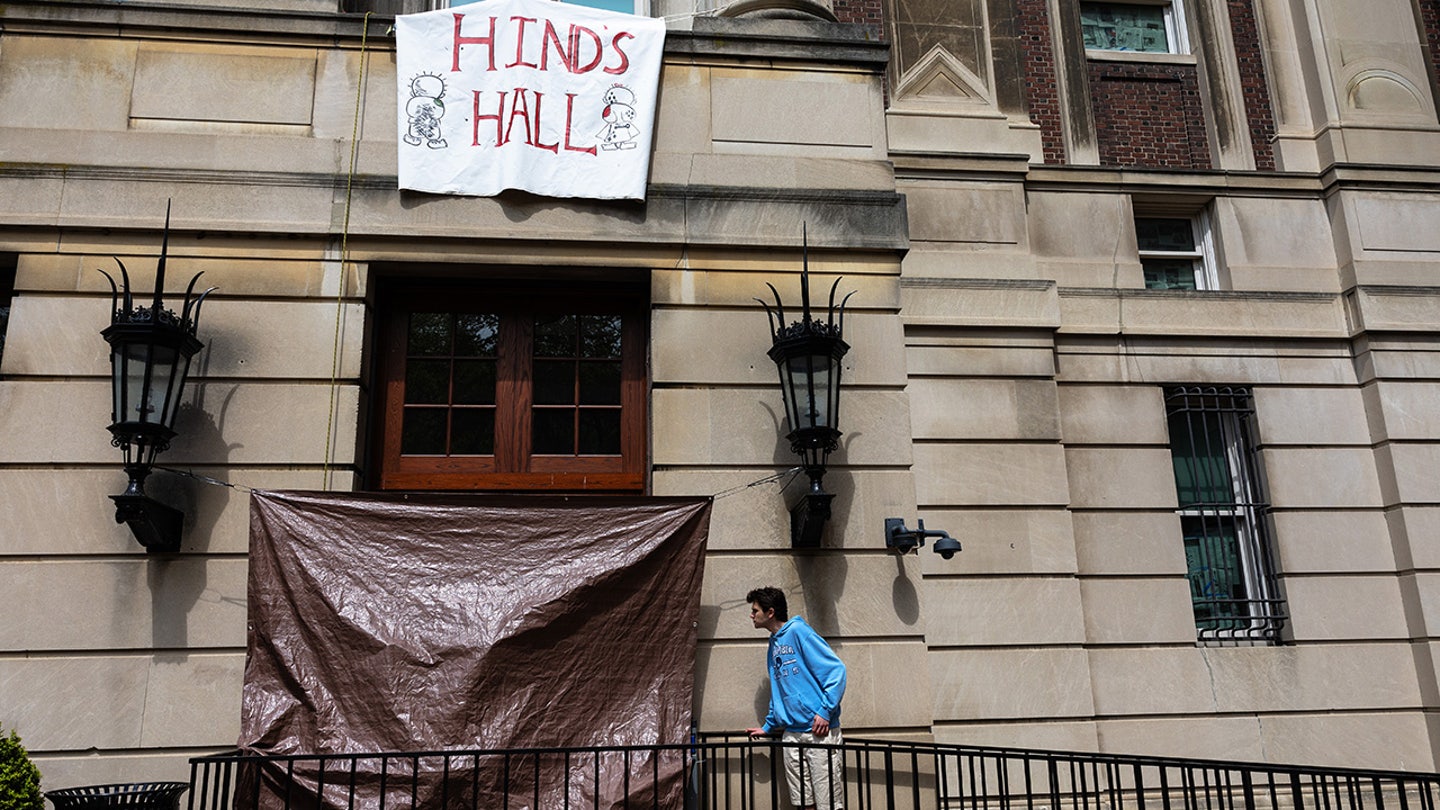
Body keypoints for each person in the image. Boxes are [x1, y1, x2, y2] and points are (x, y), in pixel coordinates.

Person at [745, 586, 847, 810]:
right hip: (791, 734)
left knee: (827, 802)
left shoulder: (799, 632)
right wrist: (769, 726)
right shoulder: (773, 644)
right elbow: (779, 689)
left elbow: (836, 671)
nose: (751, 615)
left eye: (755, 611)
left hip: (818, 733)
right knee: (803, 802)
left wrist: (824, 711)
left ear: (770, 612)